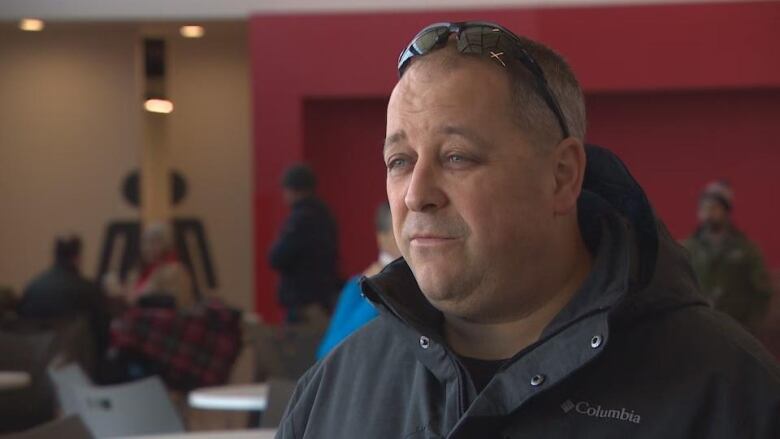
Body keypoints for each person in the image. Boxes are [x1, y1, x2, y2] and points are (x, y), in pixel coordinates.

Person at [276, 22, 780, 438]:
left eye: (456, 157)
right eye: (399, 160)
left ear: (561, 176)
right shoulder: (333, 392)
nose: (415, 194)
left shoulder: (729, 394)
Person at [683, 180, 773, 334]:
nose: (708, 212)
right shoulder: (687, 248)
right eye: (704, 207)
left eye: (714, 207)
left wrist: (751, 327)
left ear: (726, 211)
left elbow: (763, 292)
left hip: (737, 330)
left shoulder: (747, 249)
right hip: (697, 329)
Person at [316, 202, 401, 359]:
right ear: (382, 238)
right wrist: (375, 295)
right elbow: (326, 353)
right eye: (399, 228)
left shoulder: (430, 284)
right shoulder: (357, 287)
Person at [269, 164, 340, 323]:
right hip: (323, 300)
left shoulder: (300, 220)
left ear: (294, 190)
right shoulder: (324, 215)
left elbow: (277, 257)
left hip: (303, 305)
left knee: (301, 346)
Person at [18, 235, 108, 354]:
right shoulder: (88, 290)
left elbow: (20, 325)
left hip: (35, 358)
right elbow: (101, 334)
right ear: (78, 258)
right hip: (74, 361)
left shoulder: (33, 287)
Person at [104, 222, 194, 309]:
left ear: (168, 244)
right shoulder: (137, 272)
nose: (148, 247)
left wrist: (123, 295)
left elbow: (176, 304)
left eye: (155, 242)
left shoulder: (175, 271)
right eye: (145, 241)